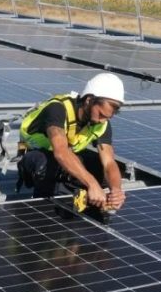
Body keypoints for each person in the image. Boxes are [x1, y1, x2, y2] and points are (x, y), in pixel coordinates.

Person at [17, 72, 126, 210]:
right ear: (89, 100)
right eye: (101, 114)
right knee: (47, 164)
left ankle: (84, 197)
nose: (103, 120)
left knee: (103, 167)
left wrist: (116, 190)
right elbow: (61, 152)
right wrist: (92, 183)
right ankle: (43, 206)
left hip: (65, 157)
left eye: (107, 117)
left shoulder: (101, 123)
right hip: (34, 156)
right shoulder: (58, 109)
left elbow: (109, 162)